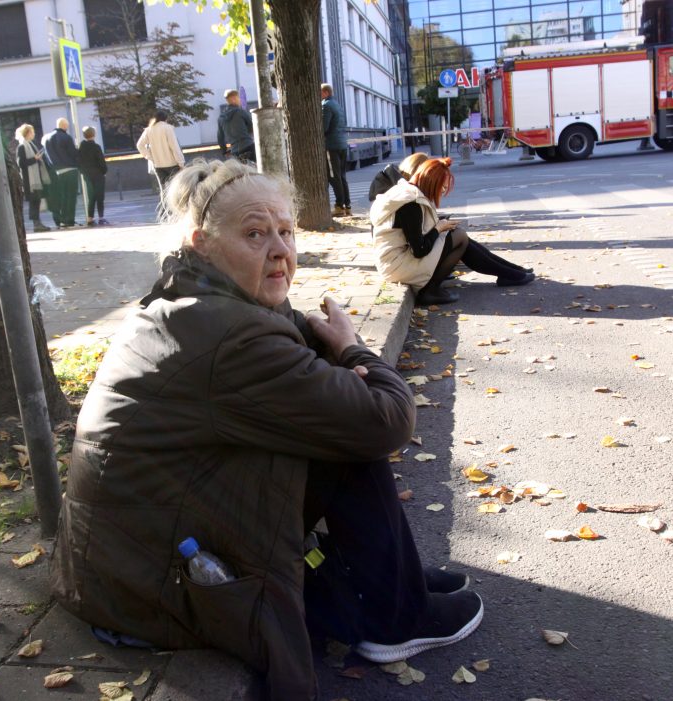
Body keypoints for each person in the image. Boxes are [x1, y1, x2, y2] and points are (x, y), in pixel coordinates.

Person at [50, 158, 484, 701]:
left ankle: (400, 590)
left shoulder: (204, 298)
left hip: (135, 553)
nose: (280, 250)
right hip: (148, 584)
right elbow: (387, 421)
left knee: (336, 425)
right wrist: (351, 346)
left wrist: (343, 380)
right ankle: (397, 619)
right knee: (352, 438)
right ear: (201, 241)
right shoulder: (227, 333)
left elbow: (313, 367)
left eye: (286, 231)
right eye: (255, 234)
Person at [369, 157, 534, 306]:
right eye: (442, 188)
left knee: (457, 234)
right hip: (397, 266)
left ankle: (511, 272)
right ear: (432, 183)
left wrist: (440, 226)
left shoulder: (408, 194)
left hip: (397, 260)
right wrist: (438, 227)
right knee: (459, 236)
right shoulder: (410, 203)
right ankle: (429, 292)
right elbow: (419, 250)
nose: (442, 193)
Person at [136, 109, 185, 195]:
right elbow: (174, 147)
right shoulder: (168, 128)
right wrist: (181, 163)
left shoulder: (148, 130)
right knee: (176, 190)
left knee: (164, 191)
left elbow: (139, 145)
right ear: (166, 118)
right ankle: (174, 207)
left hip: (158, 165)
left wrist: (149, 156)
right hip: (172, 164)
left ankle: (164, 207)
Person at [43, 117, 80, 227]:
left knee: (61, 196)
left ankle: (60, 219)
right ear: (64, 126)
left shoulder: (47, 138)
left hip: (56, 171)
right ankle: (69, 220)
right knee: (71, 196)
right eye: (67, 126)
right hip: (70, 169)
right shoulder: (66, 137)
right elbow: (73, 153)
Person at [14, 123, 51, 232]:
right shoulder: (22, 146)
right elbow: (21, 163)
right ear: (28, 133)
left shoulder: (31, 144)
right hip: (29, 181)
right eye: (32, 132)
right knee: (34, 202)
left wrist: (37, 158)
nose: (34, 134)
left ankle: (38, 223)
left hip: (35, 179)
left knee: (36, 201)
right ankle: (36, 224)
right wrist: (34, 159)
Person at [321, 83, 351, 216]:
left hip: (331, 146)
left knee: (334, 177)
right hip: (342, 145)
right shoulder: (338, 105)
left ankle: (339, 206)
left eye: (320, 93)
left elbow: (324, 128)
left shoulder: (326, 105)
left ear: (326, 92)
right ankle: (347, 206)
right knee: (342, 176)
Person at [78, 126, 108, 226]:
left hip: (87, 175)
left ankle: (90, 218)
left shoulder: (81, 148)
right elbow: (101, 162)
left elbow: (79, 162)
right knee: (100, 196)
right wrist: (104, 171)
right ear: (94, 134)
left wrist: (83, 172)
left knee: (91, 197)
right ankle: (101, 217)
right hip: (98, 174)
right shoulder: (96, 147)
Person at [216, 89, 256, 162]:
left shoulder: (221, 118)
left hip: (234, 152)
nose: (240, 100)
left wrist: (225, 151)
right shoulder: (241, 112)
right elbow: (253, 128)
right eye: (238, 98)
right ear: (233, 99)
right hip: (248, 147)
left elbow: (220, 138)